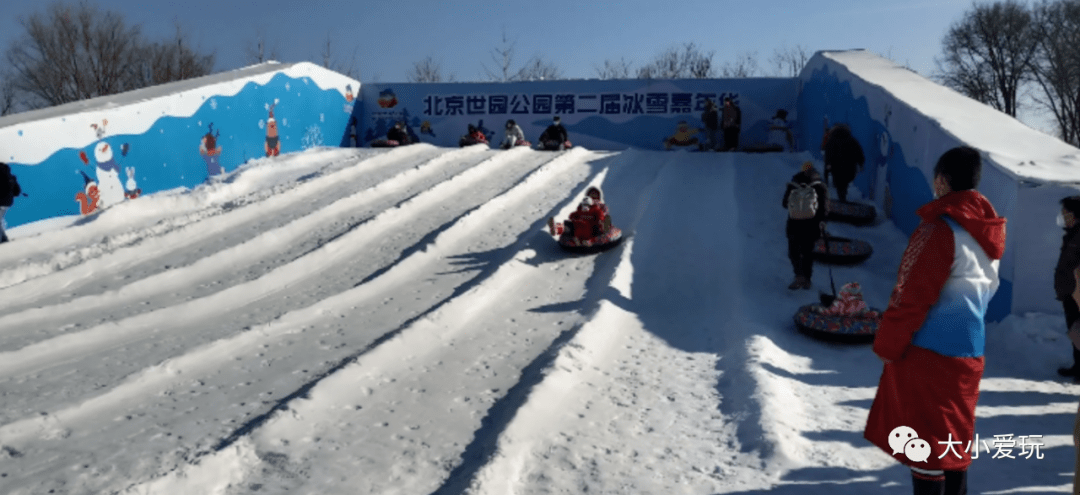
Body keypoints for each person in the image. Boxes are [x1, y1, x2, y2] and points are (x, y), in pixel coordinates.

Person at [863, 146, 1006, 495]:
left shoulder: (939, 229)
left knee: (924, 449)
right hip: (968, 352)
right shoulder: (988, 232)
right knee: (952, 446)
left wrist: (886, 345)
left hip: (928, 354)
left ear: (941, 181)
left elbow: (910, 295)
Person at [782, 161, 829, 290]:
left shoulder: (794, 183)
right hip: (812, 227)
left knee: (794, 252)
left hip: (794, 226)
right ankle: (807, 280)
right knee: (808, 253)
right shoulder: (819, 186)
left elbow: (785, 203)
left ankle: (799, 276)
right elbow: (824, 208)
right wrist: (822, 222)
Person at [1056, 196, 1080, 378]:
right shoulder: (1072, 234)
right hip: (1069, 292)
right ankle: (1077, 367)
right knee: (1075, 333)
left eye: (1066, 213)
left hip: (1077, 292)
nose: (1063, 216)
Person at [822, 124, 865, 202]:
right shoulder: (852, 140)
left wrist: (827, 167)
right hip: (850, 167)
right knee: (844, 183)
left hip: (836, 167)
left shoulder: (832, 141)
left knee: (839, 184)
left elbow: (828, 154)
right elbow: (859, 152)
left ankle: (842, 197)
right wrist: (861, 163)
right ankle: (843, 196)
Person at [0, 162, 22, 243]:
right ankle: (3, 239)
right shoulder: (11, 177)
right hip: (8, 202)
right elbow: (17, 192)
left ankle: (2, 240)